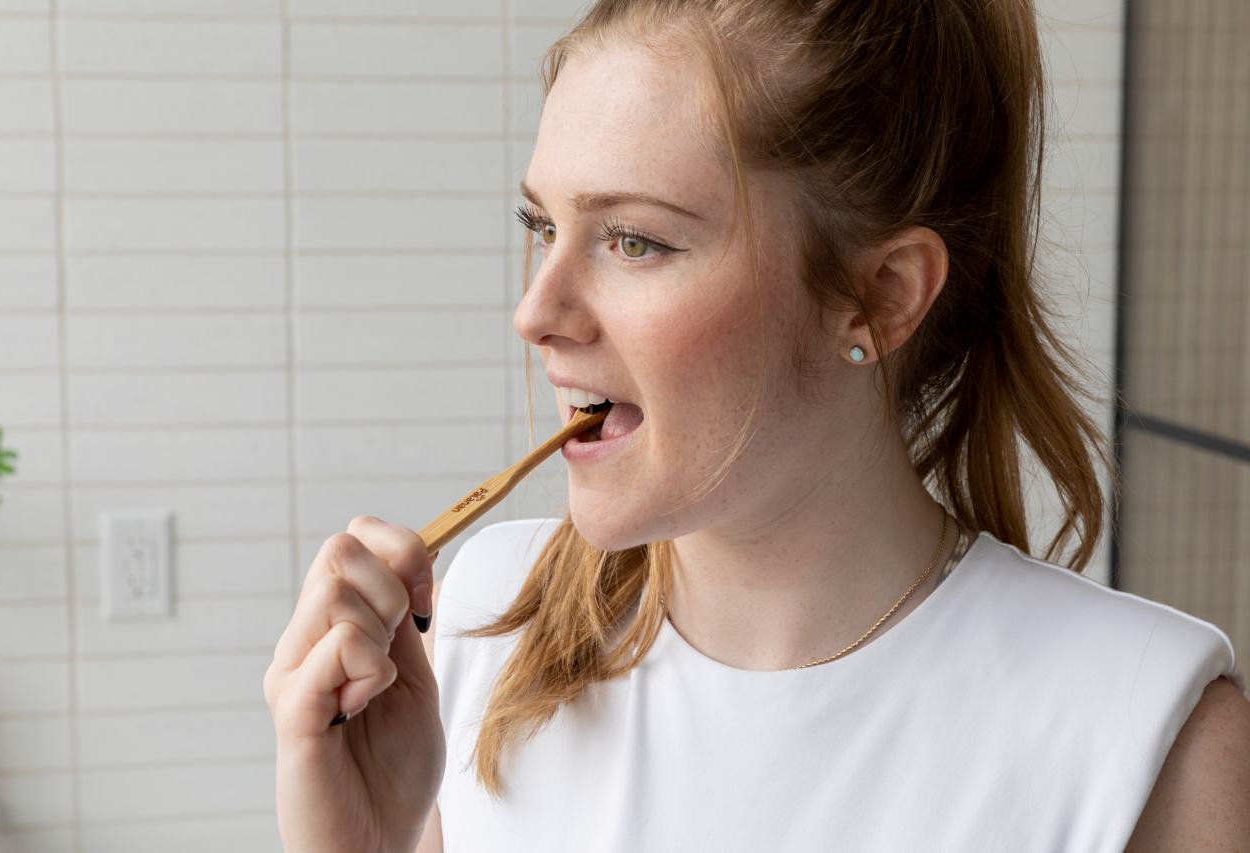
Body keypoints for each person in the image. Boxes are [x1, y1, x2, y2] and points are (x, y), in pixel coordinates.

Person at [263, 1, 1250, 851]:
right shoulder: (476, 625)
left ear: (878, 294)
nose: (536, 310)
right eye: (541, 228)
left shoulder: (1147, 734)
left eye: (633, 239)